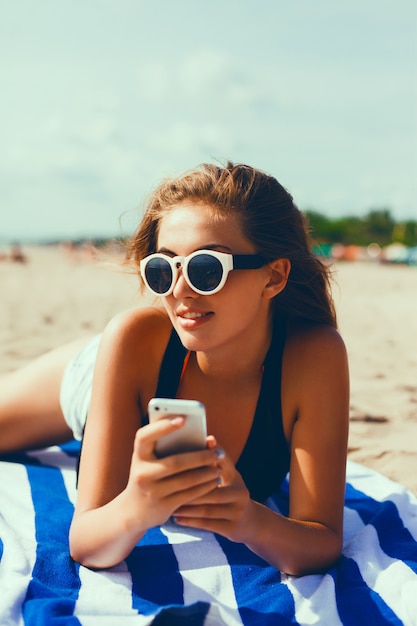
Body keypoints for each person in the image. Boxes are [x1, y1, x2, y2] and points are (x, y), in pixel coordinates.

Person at [0, 162, 349, 575]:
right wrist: (137, 505)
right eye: (162, 269)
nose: (180, 291)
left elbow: (322, 540)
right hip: (102, 371)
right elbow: (88, 543)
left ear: (273, 276)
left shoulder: (313, 359)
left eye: (206, 270)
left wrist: (250, 521)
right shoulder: (133, 339)